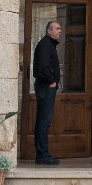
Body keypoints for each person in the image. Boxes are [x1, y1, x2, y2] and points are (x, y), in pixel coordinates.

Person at [32, 19, 62, 164]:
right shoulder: (45, 44)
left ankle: (42, 154)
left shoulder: (49, 44)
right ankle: (42, 155)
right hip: (46, 87)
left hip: (46, 86)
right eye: (56, 28)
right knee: (44, 121)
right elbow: (43, 67)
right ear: (48, 31)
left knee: (44, 120)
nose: (59, 31)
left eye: (60, 29)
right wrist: (52, 81)